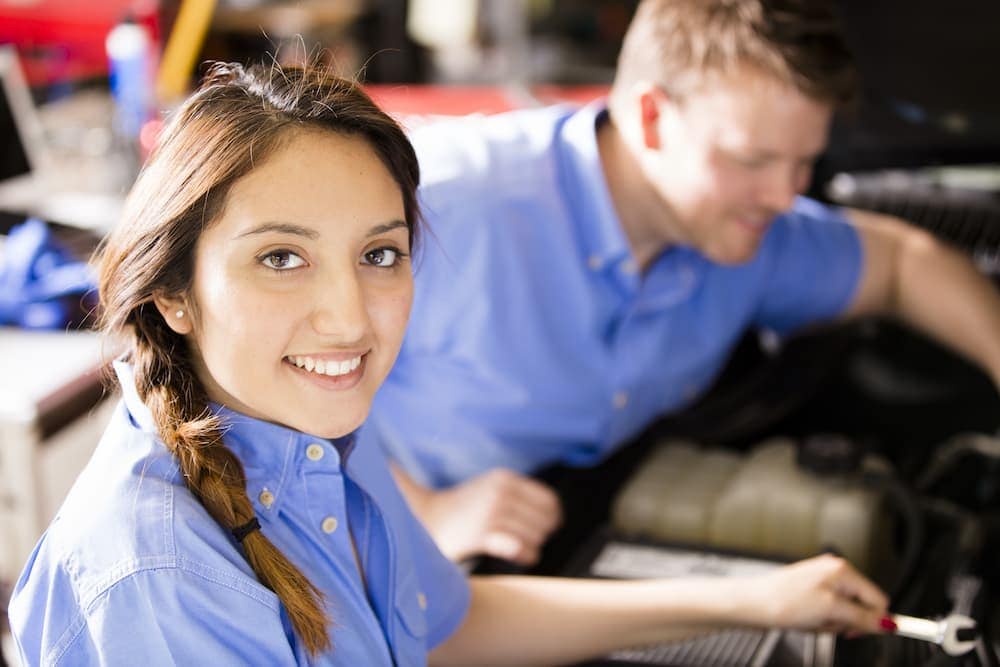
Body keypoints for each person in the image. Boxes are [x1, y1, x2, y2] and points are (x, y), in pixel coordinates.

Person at [8, 61, 894, 666]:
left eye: (380, 254)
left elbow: (445, 625)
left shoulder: (318, 445)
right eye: (281, 257)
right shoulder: (162, 580)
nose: (349, 317)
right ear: (174, 292)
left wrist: (757, 601)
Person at [360, 0, 1000, 566]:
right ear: (652, 117)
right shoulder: (439, 201)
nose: (784, 195)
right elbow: (263, 384)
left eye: (805, 162)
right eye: (751, 160)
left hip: (535, 541)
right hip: (345, 546)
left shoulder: (751, 238)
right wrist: (425, 510)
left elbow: (903, 262)